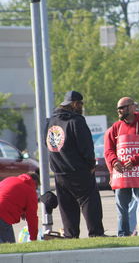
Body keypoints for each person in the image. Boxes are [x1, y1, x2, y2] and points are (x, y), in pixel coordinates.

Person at [46, 90, 105, 238]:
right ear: (74, 104)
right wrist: (91, 165)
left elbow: (49, 145)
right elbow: (86, 147)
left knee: (67, 206)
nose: (82, 107)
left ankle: (70, 235)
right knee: (90, 201)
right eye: (81, 104)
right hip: (78, 171)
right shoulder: (76, 121)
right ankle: (96, 233)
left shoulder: (50, 122)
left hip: (59, 173)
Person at [104, 97, 139, 236]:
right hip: (121, 175)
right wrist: (114, 162)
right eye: (118, 108)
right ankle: (123, 234)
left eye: (122, 108)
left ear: (131, 107)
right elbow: (108, 150)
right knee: (122, 208)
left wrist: (134, 160)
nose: (119, 111)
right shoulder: (115, 128)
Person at [0, 172, 40, 243]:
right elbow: (32, 218)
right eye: (36, 187)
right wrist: (33, 239)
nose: (35, 190)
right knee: (9, 248)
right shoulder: (30, 191)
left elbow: (9, 197)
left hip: (3, 212)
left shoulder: (10, 179)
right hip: (3, 215)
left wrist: (22, 211)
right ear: (35, 183)